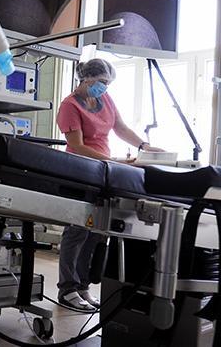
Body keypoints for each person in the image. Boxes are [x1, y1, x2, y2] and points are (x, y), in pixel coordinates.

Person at [54, 58, 163, 312]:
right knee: (77, 231)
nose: (105, 87)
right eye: (102, 82)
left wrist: (144, 146)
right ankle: (67, 288)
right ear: (86, 78)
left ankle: (82, 286)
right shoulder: (69, 105)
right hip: (79, 170)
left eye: (108, 83)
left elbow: (120, 128)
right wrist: (113, 161)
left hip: (104, 172)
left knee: (96, 230)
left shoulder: (105, 100)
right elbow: (77, 146)